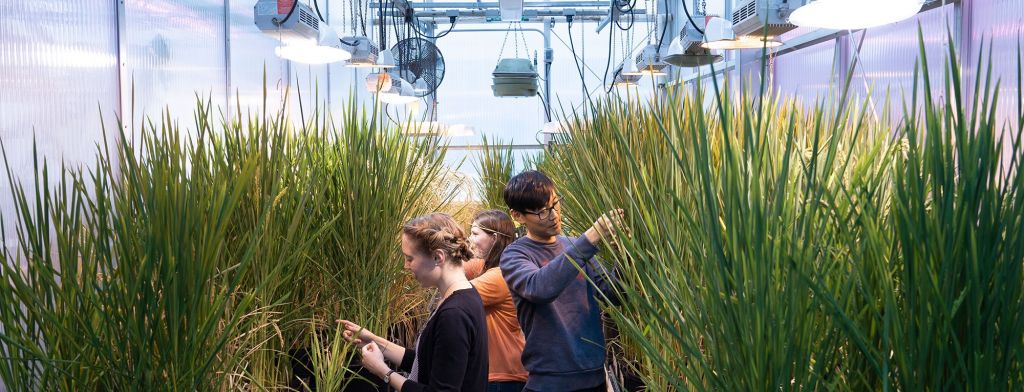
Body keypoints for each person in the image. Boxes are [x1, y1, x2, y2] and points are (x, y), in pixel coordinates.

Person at [500, 170, 623, 392]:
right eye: (541, 212)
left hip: (594, 378)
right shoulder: (514, 255)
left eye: (555, 204)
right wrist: (591, 237)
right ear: (517, 216)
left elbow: (613, 295)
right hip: (549, 383)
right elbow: (540, 288)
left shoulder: (575, 246)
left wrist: (624, 258)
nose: (554, 215)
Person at [338, 213, 488, 392]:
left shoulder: (454, 314)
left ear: (437, 257)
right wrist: (374, 340)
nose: (406, 266)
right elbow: (423, 362)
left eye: (410, 258)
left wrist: (383, 371)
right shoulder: (462, 297)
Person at [464, 210, 529, 392]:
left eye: (475, 233)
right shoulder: (486, 267)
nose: (470, 238)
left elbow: (457, 296)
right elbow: (456, 268)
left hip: (503, 377)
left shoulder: (500, 276)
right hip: (499, 374)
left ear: (494, 238)